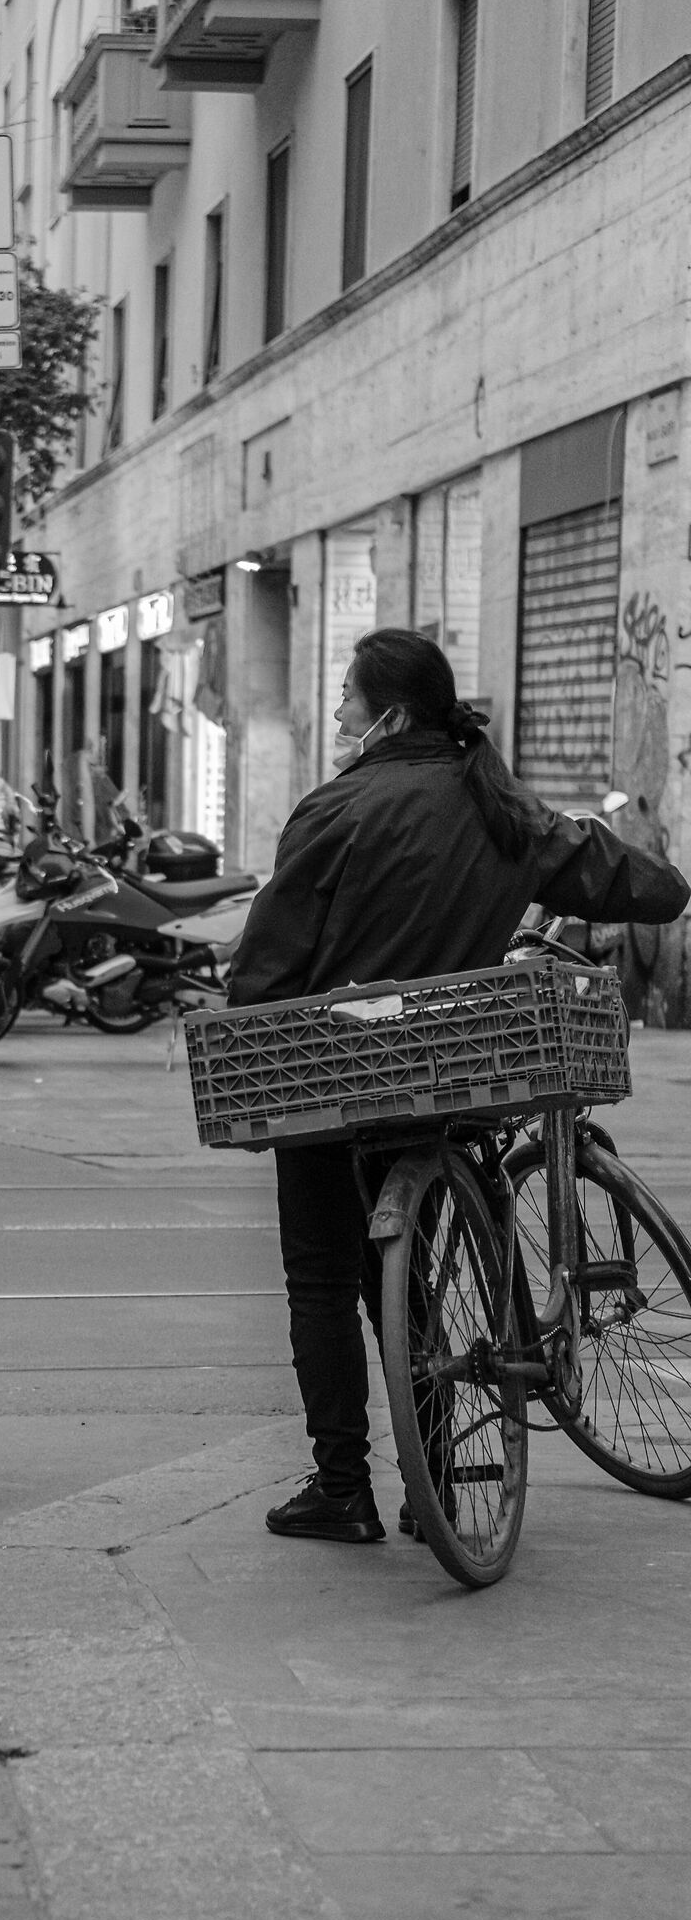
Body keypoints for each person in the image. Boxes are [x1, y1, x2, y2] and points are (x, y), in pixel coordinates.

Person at [229, 627, 689, 1546]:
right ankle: (434, 1477)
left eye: (349, 697)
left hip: (327, 1081)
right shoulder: (505, 812)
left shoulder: (334, 811)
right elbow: (656, 889)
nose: (339, 713)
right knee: (408, 1285)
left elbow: (264, 974)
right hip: (444, 1079)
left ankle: (342, 1487)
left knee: (321, 1282)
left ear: (391, 715)